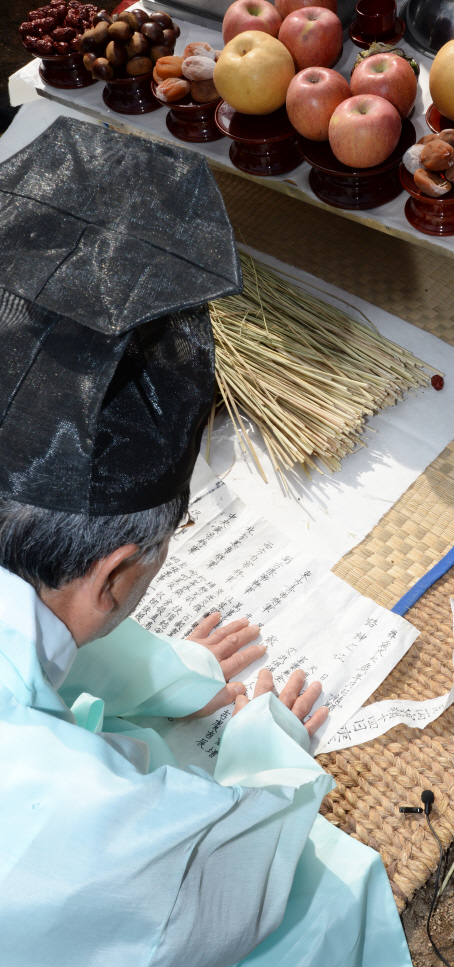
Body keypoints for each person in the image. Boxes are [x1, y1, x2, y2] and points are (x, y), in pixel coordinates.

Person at [0, 117, 412, 967]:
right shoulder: (69, 827)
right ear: (115, 576)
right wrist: (269, 751)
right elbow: (216, 891)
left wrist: (167, 671)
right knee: (330, 897)